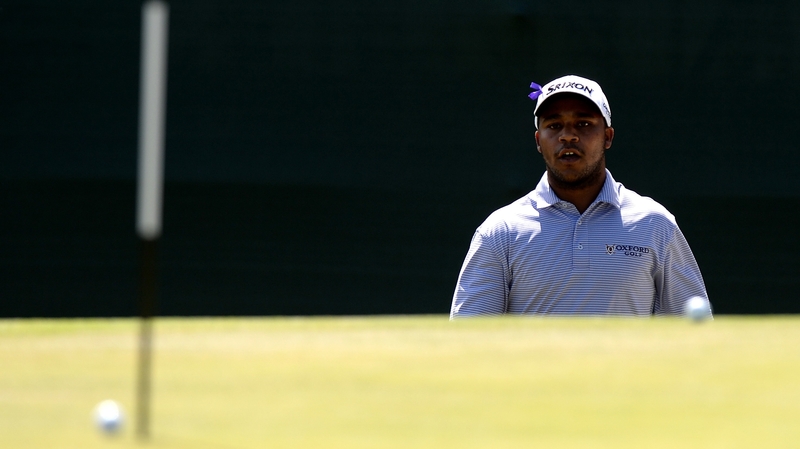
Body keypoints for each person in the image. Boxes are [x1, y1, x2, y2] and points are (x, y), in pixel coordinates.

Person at [450, 75, 710, 318]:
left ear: (607, 136)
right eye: (554, 125)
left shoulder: (655, 224)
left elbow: (693, 335)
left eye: (584, 124)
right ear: (539, 141)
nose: (568, 135)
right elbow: (469, 339)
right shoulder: (500, 232)